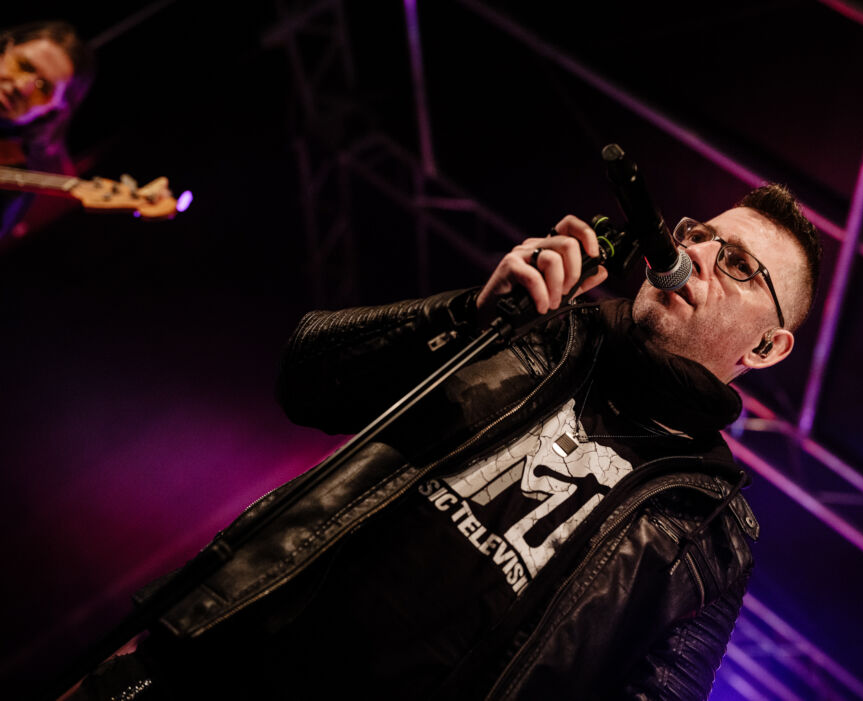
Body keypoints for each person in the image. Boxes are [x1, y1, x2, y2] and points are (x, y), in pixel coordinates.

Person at [68, 182, 821, 700]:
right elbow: (306, 377)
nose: (696, 257)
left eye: (738, 265)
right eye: (699, 235)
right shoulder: (546, 329)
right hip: (199, 673)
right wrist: (469, 314)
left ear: (767, 347)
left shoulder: (709, 535)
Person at [0, 20, 94, 238]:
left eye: (43, 88)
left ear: (52, 110)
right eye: (23, 65)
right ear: (6, 47)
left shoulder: (12, 188)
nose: (22, 87)